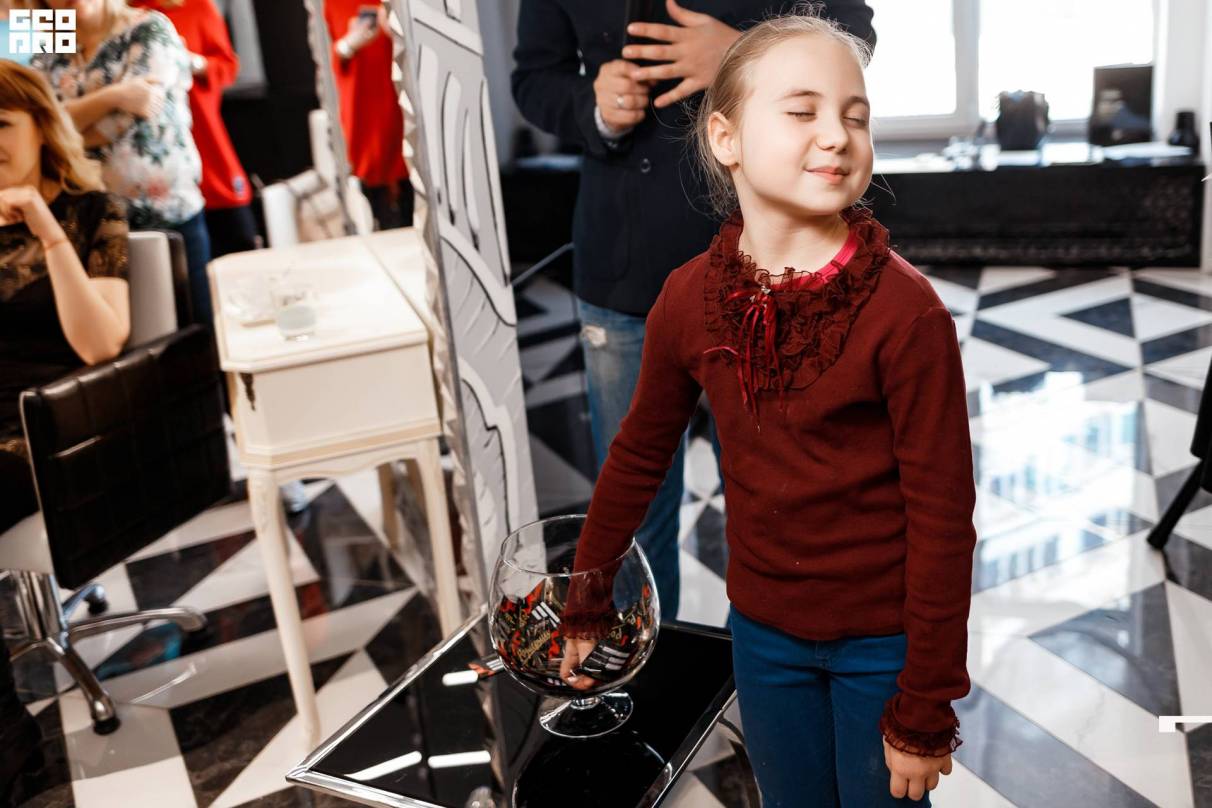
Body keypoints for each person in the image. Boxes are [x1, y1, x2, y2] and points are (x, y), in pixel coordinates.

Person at [559, 13, 975, 807]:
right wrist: (589, 596)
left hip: (881, 645)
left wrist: (926, 702)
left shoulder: (906, 314)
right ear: (726, 138)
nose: (838, 134)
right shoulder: (688, 298)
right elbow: (639, 455)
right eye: (802, 111)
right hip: (763, 636)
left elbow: (943, 515)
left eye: (856, 115)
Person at [512, 0, 875, 621]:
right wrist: (592, 105)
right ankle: (647, 665)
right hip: (625, 259)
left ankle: (763, 668)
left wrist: (744, 56)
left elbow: (853, 28)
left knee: (777, 498)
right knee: (636, 505)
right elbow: (533, 78)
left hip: (772, 251)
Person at [0, 60, 129, 807]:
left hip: (50, 419)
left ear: (42, 127)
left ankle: (8, 742)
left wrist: (47, 232)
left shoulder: (91, 212)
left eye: (1, 125)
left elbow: (100, 344)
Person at [34, 0, 210, 325]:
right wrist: (112, 96)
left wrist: (61, 129)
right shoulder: (49, 38)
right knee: (123, 338)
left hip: (168, 214)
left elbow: (128, 119)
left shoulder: (149, 27)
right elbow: (36, 127)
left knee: (197, 333)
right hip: (92, 226)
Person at [131, 0, 258, 258]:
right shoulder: (66, 19)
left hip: (198, 152)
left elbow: (228, 66)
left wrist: (190, 61)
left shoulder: (194, 8)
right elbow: (47, 74)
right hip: (131, 185)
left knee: (235, 249)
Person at [324, 0, 413, 230]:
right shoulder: (331, 4)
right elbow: (333, 58)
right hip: (364, 108)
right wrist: (348, 44)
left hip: (401, 103)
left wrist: (397, 30)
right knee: (378, 199)